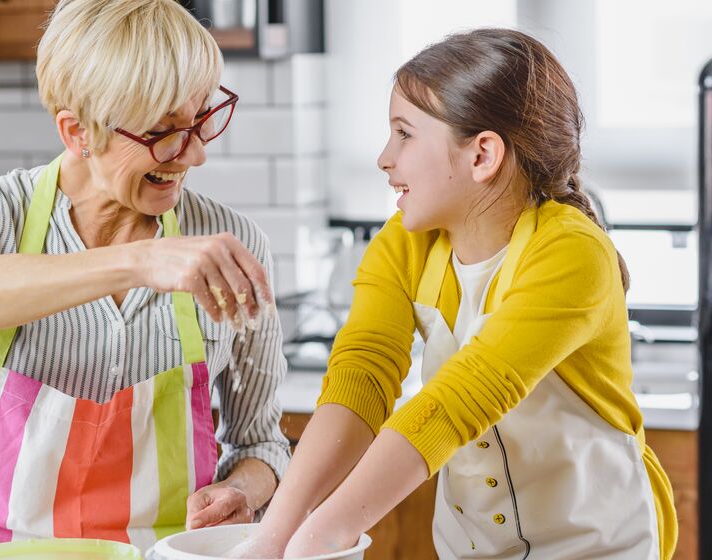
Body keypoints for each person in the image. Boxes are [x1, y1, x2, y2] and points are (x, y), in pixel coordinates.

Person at [236, 28, 678, 559]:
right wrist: (274, 535)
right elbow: (363, 376)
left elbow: (461, 400)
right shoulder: (403, 244)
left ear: (482, 155)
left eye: (404, 133)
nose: (384, 157)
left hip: (596, 547)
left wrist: (324, 536)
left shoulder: (571, 254)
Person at [0, 1, 290, 557]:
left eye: (200, 120)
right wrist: (133, 263)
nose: (193, 153)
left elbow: (261, 442)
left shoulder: (229, 242)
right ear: (77, 131)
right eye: (163, 130)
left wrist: (239, 491)